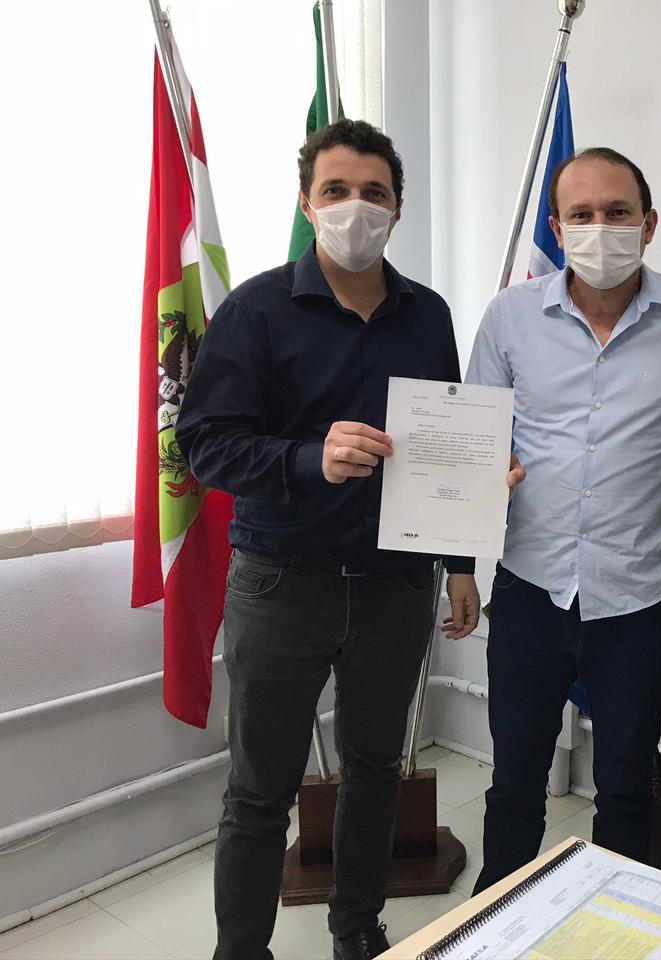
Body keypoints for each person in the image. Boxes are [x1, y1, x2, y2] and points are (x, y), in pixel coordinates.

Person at [176, 119, 520, 960]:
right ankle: (241, 950)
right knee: (260, 788)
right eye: (336, 191)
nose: (355, 208)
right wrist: (308, 458)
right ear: (307, 202)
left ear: (397, 209)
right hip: (281, 583)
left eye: (374, 193)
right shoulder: (255, 310)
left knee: (375, 772)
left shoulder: (427, 314)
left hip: (396, 586)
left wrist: (463, 557)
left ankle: (357, 930)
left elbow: (443, 446)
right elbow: (205, 444)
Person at [465, 147, 661, 892]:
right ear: (556, 227)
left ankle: (617, 928)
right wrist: (482, 485)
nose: (599, 227)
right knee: (514, 783)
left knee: (627, 791)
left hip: (637, 603)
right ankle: (495, 921)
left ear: (649, 223)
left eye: (617, 212)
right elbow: (473, 436)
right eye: (581, 214)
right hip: (530, 590)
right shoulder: (510, 316)